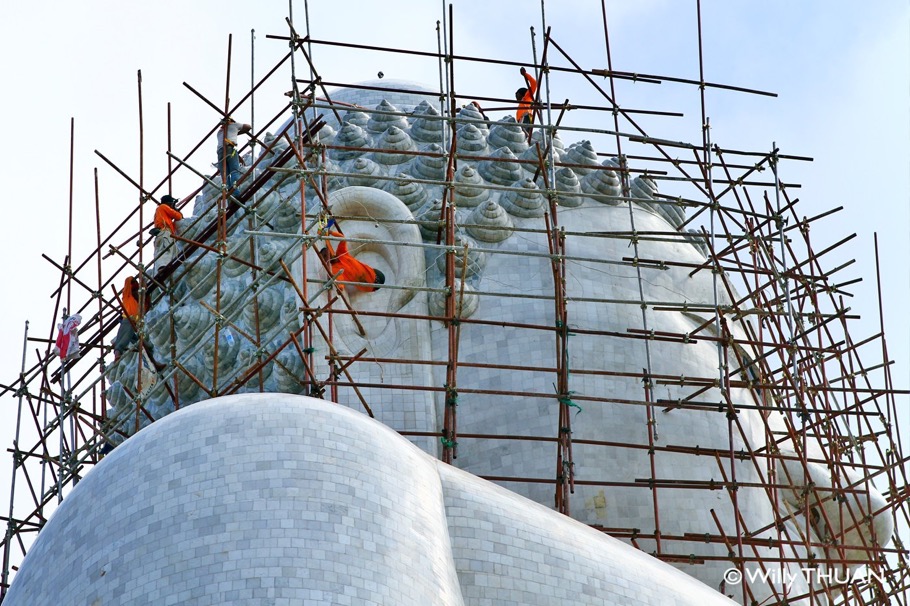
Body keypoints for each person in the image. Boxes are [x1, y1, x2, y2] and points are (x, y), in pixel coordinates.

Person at [318, 219, 385, 293]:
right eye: (325, 257)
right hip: (370, 286)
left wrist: (330, 232)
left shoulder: (342, 253)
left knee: (371, 272)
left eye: (325, 255)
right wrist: (340, 288)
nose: (327, 256)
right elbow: (340, 282)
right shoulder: (336, 269)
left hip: (375, 276)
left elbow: (343, 238)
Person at [216, 117, 252, 189]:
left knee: (225, 175)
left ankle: (228, 192)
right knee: (234, 171)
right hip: (230, 148)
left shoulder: (219, 132)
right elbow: (248, 127)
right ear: (231, 121)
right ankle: (235, 192)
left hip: (220, 152)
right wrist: (237, 131)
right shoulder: (234, 125)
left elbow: (225, 147)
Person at [151, 195, 184, 274]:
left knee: (169, 251)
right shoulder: (163, 207)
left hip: (161, 234)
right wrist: (175, 209)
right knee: (166, 250)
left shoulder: (160, 211)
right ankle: (162, 267)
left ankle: (163, 267)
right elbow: (178, 216)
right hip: (165, 233)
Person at [112, 276, 143, 359]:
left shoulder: (137, 302)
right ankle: (117, 352)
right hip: (128, 320)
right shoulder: (127, 296)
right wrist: (132, 280)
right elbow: (128, 282)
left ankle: (148, 354)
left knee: (140, 343)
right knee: (124, 338)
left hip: (134, 323)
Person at [514, 66, 537, 135]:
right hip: (520, 120)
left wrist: (525, 75)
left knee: (524, 135)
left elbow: (534, 83)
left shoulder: (527, 96)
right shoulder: (522, 102)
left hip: (526, 117)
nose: (516, 97)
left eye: (516, 95)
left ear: (521, 93)